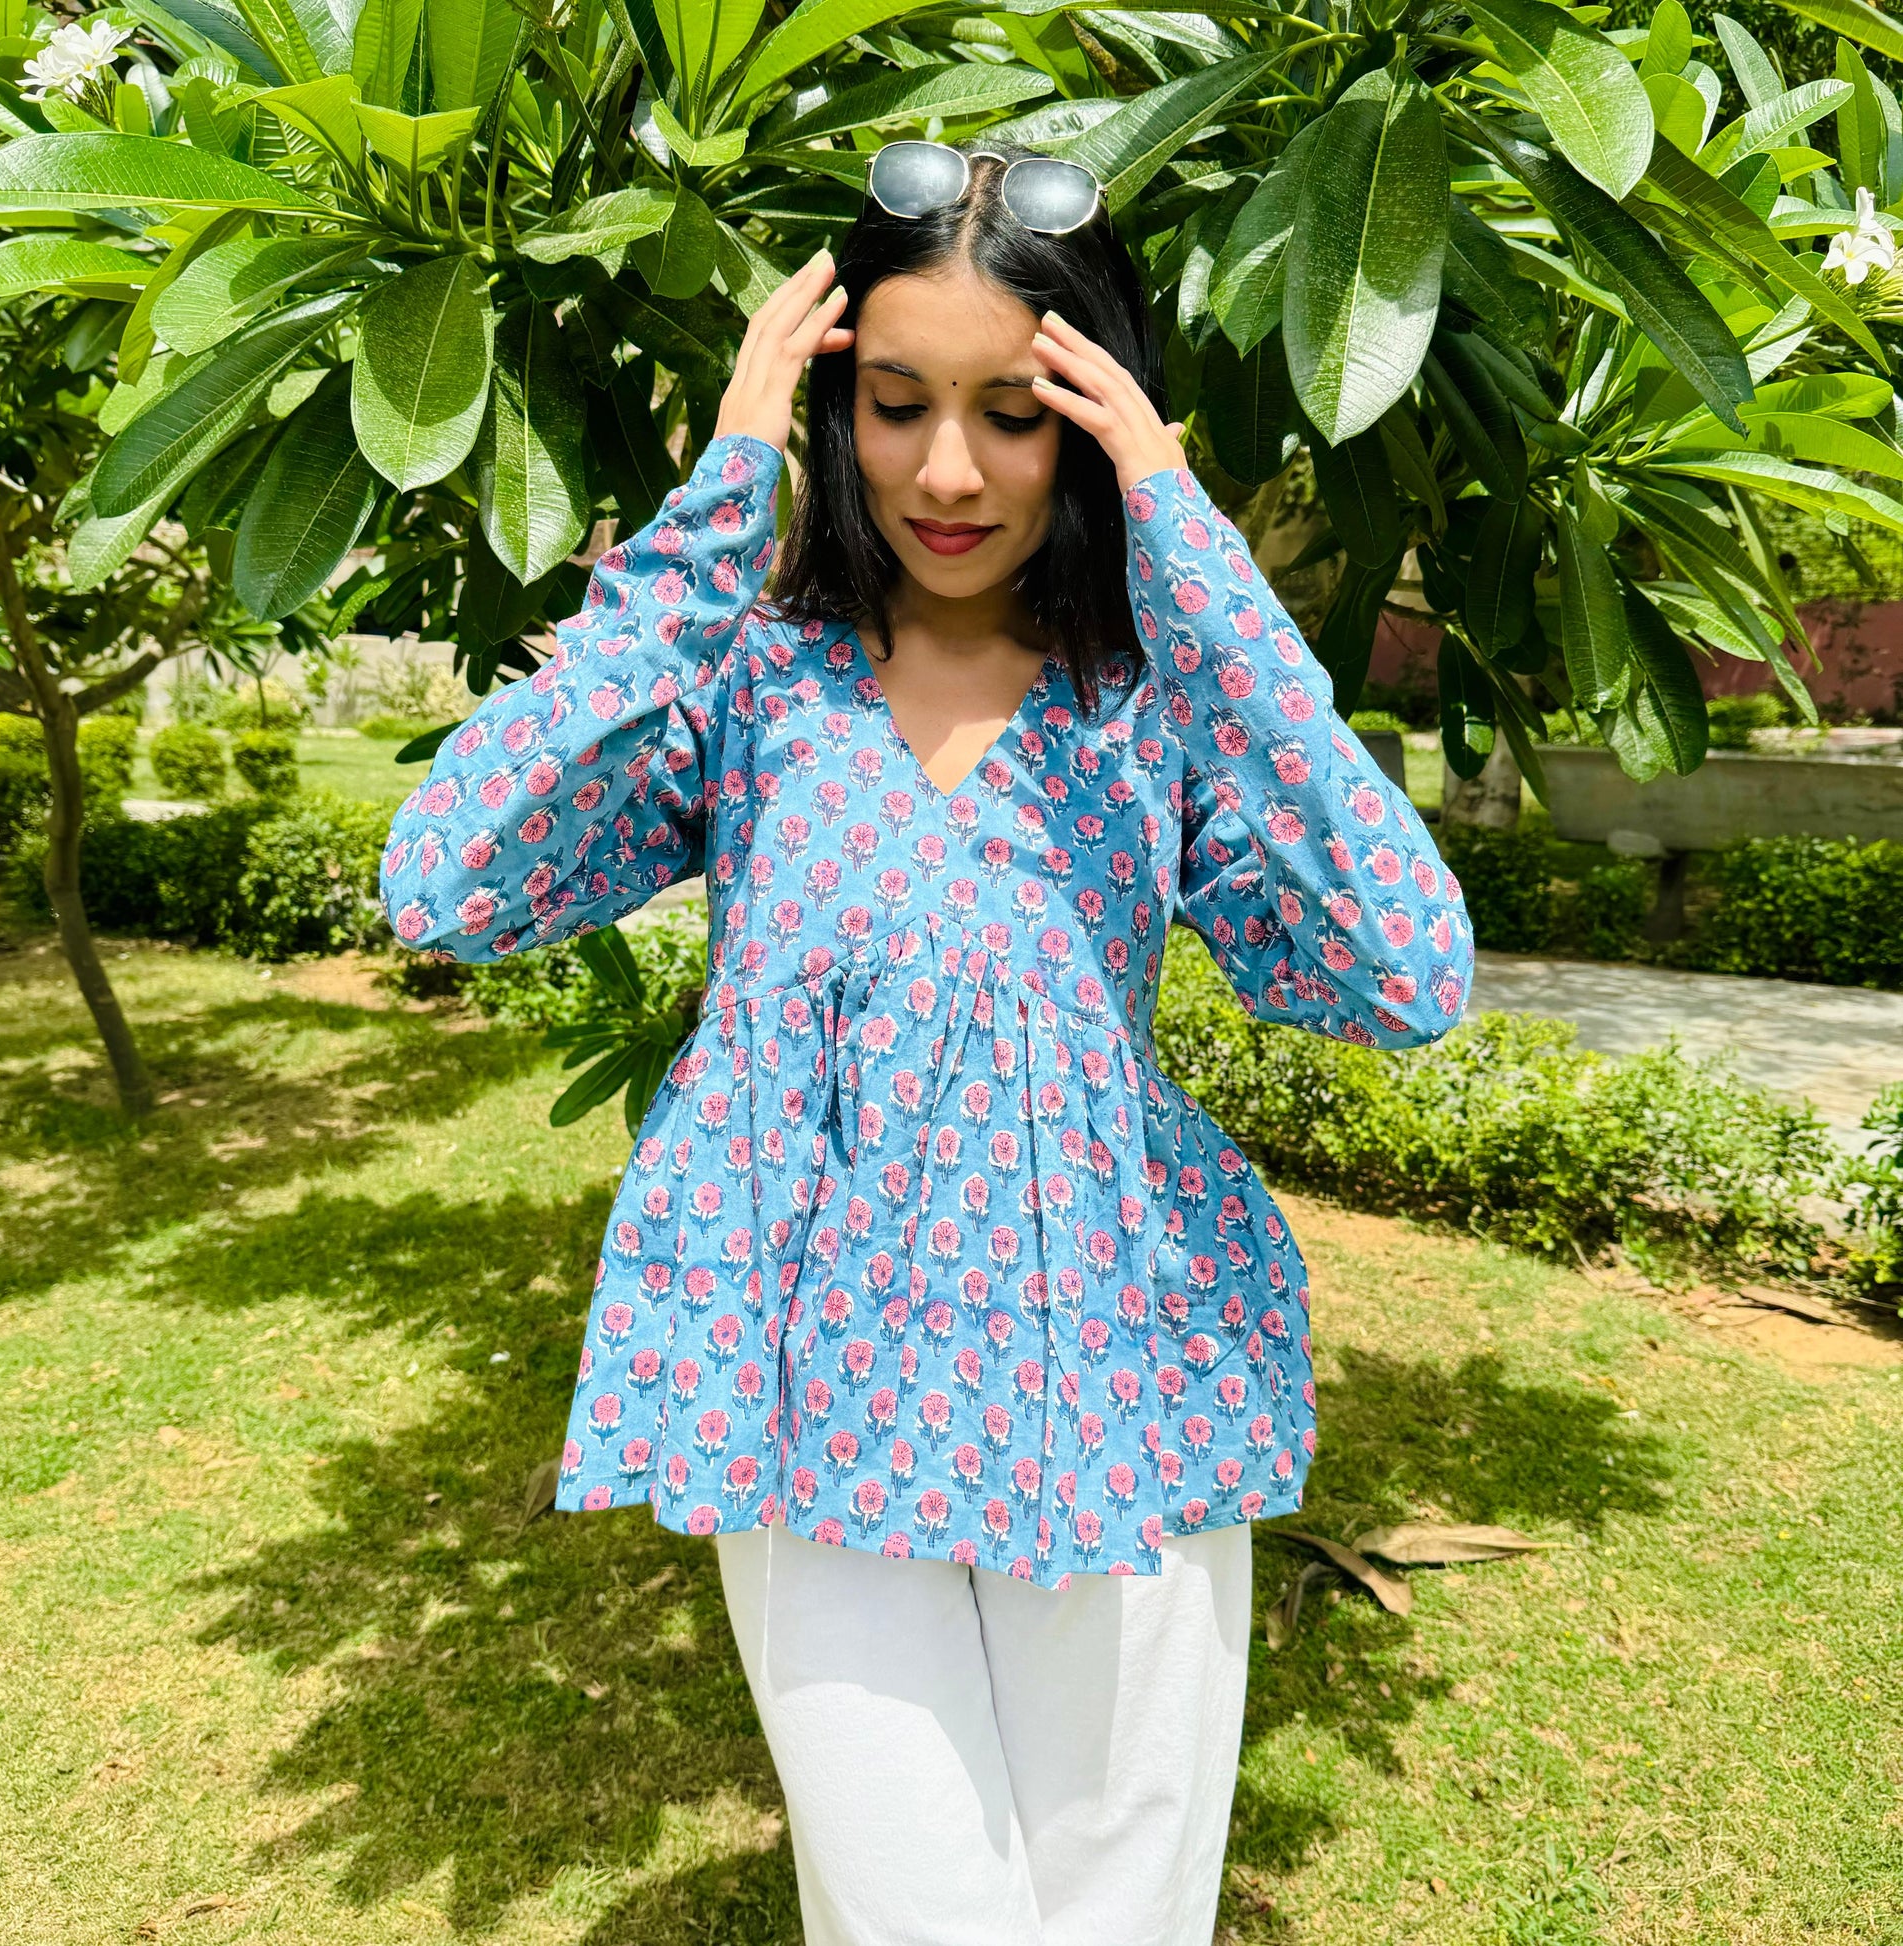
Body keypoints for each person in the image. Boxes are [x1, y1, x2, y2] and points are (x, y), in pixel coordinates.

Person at [381, 140, 1474, 1946]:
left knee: (1119, 1907)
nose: (947, 472)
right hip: (807, 1384)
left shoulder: (1153, 702)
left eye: (1014, 415)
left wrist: (1191, 556)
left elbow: (1406, 971)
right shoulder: (749, 676)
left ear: (1094, 425)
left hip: (1117, 1368)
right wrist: (712, 514)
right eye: (894, 405)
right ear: (828, 408)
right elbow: (448, 880)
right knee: (910, 1908)